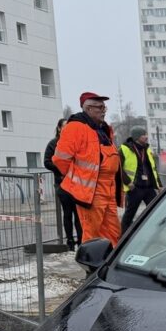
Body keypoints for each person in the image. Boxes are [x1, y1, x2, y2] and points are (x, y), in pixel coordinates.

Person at [52, 92, 123, 247]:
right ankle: (92, 268)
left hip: (108, 188)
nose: (104, 110)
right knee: (92, 235)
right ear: (89, 108)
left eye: (104, 107)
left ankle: (109, 264)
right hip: (92, 191)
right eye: (100, 107)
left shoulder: (103, 129)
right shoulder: (75, 127)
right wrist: (78, 180)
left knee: (113, 232)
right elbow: (60, 159)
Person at [44, 118, 83, 250]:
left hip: (77, 184)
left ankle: (81, 240)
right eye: (65, 126)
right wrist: (60, 170)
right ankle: (70, 241)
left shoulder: (76, 142)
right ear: (59, 128)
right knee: (68, 213)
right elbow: (47, 162)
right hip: (62, 183)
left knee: (79, 214)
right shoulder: (53, 144)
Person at [119, 126, 160, 234]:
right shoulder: (124, 149)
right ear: (137, 137)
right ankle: (124, 237)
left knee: (156, 210)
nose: (146, 137)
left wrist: (158, 184)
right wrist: (128, 182)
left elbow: (153, 168)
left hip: (148, 187)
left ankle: (154, 233)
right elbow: (118, 168)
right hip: (135, 188)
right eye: (143, 135)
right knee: (129, 214)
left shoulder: (147, 149)